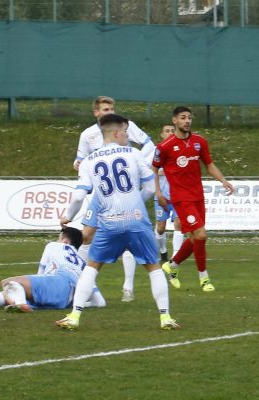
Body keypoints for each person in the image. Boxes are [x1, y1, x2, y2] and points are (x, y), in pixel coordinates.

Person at [57, 113, 178, 330]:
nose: (127, 135)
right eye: (125, 131)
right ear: (116, 132)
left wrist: (68, 216)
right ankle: (165, 317)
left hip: (109, 222)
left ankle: (74, 316)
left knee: (92, 267)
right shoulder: (134, 154)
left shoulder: (89, 161)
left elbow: (77, 196)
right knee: (154, 267)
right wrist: (135, 202)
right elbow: (150, 187)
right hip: (136, 221)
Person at [73, 96, 156, 303]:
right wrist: (79, 164)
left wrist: (137, 162)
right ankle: (78, 282)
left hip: (124, 191)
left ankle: (127, 286)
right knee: (86, 235)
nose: (109, 111)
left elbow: (149, 144)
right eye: (105, 109)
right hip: (98, 195)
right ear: (96, 113)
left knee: (128, 234)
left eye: (111, 108)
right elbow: (80, 159)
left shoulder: (126, 127)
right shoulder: (87, 135)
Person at [153, 106, 235, 292]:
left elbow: (209, 164)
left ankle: (172, 266)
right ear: (175, 121)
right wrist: (158, 192)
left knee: (195, 237)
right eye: (183, 118)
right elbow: (154, 169)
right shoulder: (164, 147)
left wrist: (223, 180)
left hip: (197, 195)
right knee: (201, 235)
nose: (187, 121)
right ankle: (203, 278)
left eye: (189, 118)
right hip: (181, 198)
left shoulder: (199, 142)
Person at [0, 227, 106, 312]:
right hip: (64, 301)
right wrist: (77, 303)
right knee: (6, 294)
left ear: (65, 240)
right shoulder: (83, 263)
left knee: (9, 282)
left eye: (59, 237)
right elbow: (100, 303)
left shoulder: (53, 246)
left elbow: (41, 274)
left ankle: (20, 304)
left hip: (55, 282)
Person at [151, 124, 184, 262]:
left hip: (178, 195)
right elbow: (150, 170)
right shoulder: (156, 150)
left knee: (179, 223)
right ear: (162, 134)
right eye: (167, 131)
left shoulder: (181, 149)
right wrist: (161, 171)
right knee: (160, 228)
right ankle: (163, 250)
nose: (170, 133)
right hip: (162, 195)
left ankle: (176, 256)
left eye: (172, 131)